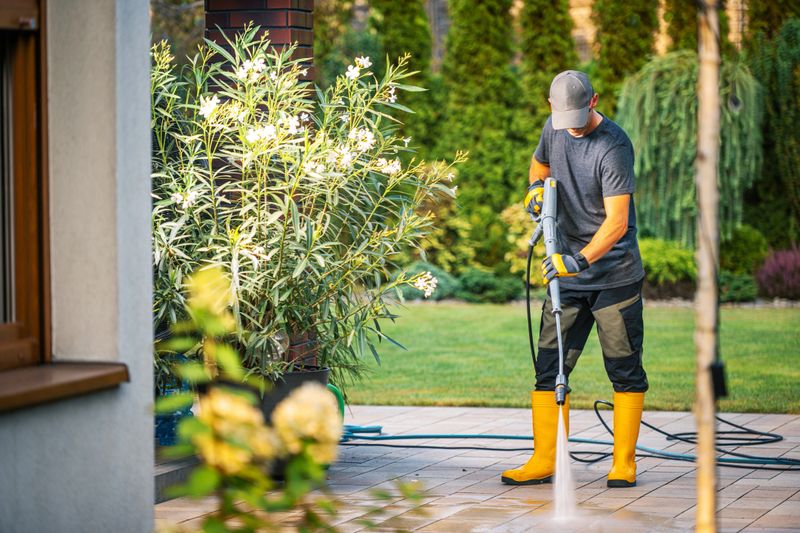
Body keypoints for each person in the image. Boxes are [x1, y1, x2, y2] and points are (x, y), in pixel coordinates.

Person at [500, 70, 648, 488]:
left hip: (612, 275)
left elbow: (617, 222)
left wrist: (578, 261)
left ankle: (624, 463)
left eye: (582, 115)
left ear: (595, 100)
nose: (574, 125)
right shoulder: (555, 125)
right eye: (566, 118)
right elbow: (540, 162)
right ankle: (544, 458)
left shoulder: (614, 146)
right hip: (567, 275)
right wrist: (533, 187)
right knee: (549, 367)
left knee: (624, 368)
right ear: (552, 107)